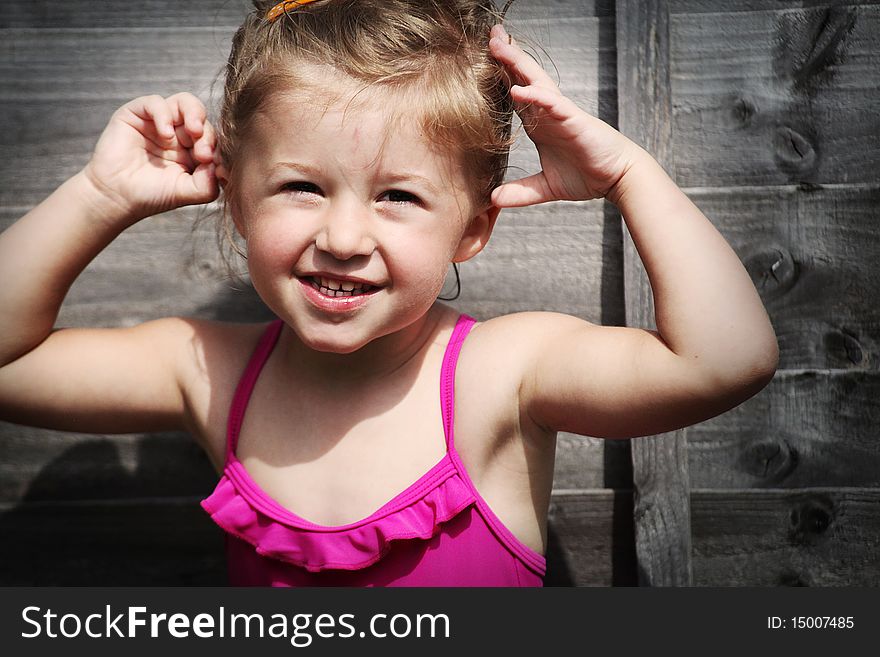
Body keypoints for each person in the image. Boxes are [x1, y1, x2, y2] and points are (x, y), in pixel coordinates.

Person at [0, 0, 778, 586]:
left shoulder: (502, 374)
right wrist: (101, 195)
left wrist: (628, 174)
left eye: (398, 197)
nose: (342, 236)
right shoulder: (208, 371)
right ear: (236, 201)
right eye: (301, 185)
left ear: (472, 229)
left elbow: (726, 361)